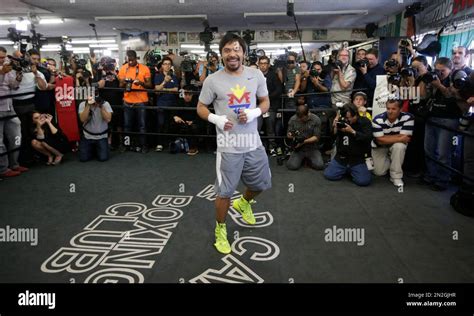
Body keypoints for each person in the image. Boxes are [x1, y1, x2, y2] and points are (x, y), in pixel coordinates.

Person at [197, 33, 271, 254]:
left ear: (244, 53)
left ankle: (245, 202)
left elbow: (265, 101)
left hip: (252, 141)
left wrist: (255, 111)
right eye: (227, 50)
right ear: (221, 55)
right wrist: (215, 118)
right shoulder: (212, 80)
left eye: (236, 49)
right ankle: (221, 229)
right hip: (229, 146)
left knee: (261, 184)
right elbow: (200, 107)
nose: (232, 54)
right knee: (224, 192)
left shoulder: (256, 74)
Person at [324, 103, 373, 186]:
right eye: (345, 118)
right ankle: (347, 170)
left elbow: (368, 138)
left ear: (355, 115)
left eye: (349, 118)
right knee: (329, 175)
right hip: (342, 157)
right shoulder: (342, 121)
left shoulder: (365, 121)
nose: (347, 120)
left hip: (357, 158)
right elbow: (333, 136)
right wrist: (335, 127)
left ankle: (350, 170)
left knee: (363, 181)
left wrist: (353, 132)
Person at [372, 99, 414, 187]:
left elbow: (406, 138)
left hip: (395, 145)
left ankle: (396, 176)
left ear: (400, 109)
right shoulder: (377, 119)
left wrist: (384, 138)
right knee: (379, 172)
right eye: (388, 108)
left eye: (393, 109)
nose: (390, 111)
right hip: (380, 146)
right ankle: (391, 160)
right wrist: (399, 137)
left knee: (399, 146)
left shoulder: (408, 118)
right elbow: (379, 140)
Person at [0, 46, 28, 178]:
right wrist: (1, 73)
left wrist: (18, 75)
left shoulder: (7, 67)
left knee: (16, 136)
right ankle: (3, 169)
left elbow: (14, 86)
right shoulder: (3, 69)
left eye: (3, 57)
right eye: (0, 57)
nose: (2, 60)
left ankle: (14, 164)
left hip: (9, 107)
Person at [118, 50, 152, 153]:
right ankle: (127, 145)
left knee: (142, 125)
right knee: (127, 125)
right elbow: (120, 85)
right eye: (129, 59)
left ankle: (143, 146)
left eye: (132, 59)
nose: (131, 61)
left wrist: (141, 83)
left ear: (136, 58)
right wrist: (125, 81)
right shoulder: (123, 68)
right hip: (128, 100)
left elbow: (150, 85)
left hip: (141, 100)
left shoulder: (144, 68)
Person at [286, 104, 324, 170]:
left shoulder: (316, 119)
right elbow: (288, 134)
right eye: (299, 118)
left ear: (308, 113)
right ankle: (303, 159)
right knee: (291, 166)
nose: (300, 120)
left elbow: (316, 137)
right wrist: (290, 135)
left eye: (302, 118)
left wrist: (303, 142)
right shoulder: (293, 119)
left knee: (319, 165)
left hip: (312, 147)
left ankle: (307, 160)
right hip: (299, 148)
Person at [78, 95, 113, 162]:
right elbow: (83, 119)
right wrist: (88, 105)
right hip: (87, 136)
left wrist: (101, 107)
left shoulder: (105, 104)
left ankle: (96, 149)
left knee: (103, 158)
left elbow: (108, 119)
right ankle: (94, 149)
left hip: (101, 136)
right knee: (83, 158)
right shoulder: (83, 104)